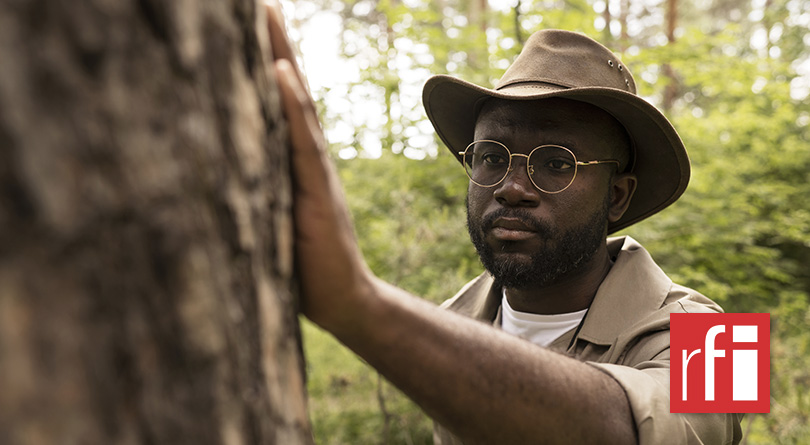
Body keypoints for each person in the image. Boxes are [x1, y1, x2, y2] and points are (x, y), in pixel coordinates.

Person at [266, 1, 743, 443]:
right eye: (492, 157)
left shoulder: (722, 344)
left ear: (616, 196)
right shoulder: (453, 318)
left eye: (557, 163)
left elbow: (633, 430)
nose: (511, 186)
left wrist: (358, 305)